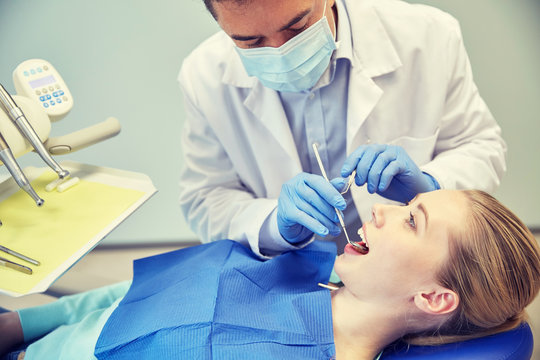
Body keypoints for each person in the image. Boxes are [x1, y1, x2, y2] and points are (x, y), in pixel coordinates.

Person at [1, 190, 539, 360]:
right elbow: (136, 295)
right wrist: (22, 327)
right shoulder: (306, 263)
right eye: (408, 200)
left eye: (411, 219)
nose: (379, 208)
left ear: (434, 297)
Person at [178, 0, 507, 256]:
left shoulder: (428, 37)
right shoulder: (203, 76)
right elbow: (206, 197)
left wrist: (430, 185)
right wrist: (272, 223)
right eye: (251, 42)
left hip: (408, 276)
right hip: (286, 279)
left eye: (297, 27)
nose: (279, 51)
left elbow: (481, 147)